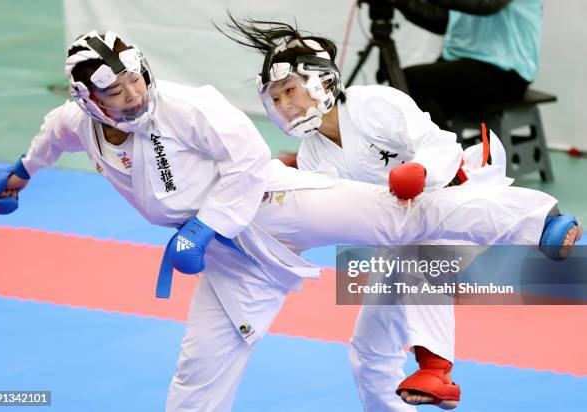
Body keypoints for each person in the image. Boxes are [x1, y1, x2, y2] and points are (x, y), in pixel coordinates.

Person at [0, 30, 580, 412]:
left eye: (137, 79)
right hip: (232, 258)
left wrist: (205, 223)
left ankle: (536, 219)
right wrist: (18, 175)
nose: (135, 96)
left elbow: (246, 162)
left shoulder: (193, 106)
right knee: (201, 367)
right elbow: (47, 140)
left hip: (273, 207)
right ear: (89, 101)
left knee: (400, 221)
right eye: (117, 92)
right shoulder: (73, 122)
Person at [219, 17, 582, 411]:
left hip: (458, 198)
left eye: (289, 90)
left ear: (321, 81)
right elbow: (331, 216)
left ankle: (541, 222)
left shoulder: (373, 103)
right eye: (275, 99)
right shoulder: (312, 156)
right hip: (398, 234)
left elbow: (440, 145)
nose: (285, 105)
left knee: (417, 235)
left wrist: (420, 171)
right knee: (369, 353)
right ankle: (405, 394)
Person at [391, 0, 543, 129]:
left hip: (505, 73)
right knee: (402, 93)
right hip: (463, 63)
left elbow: (485, 4)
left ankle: (449, 157)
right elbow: (441, 21)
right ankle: (441, 154)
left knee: (409, 81)